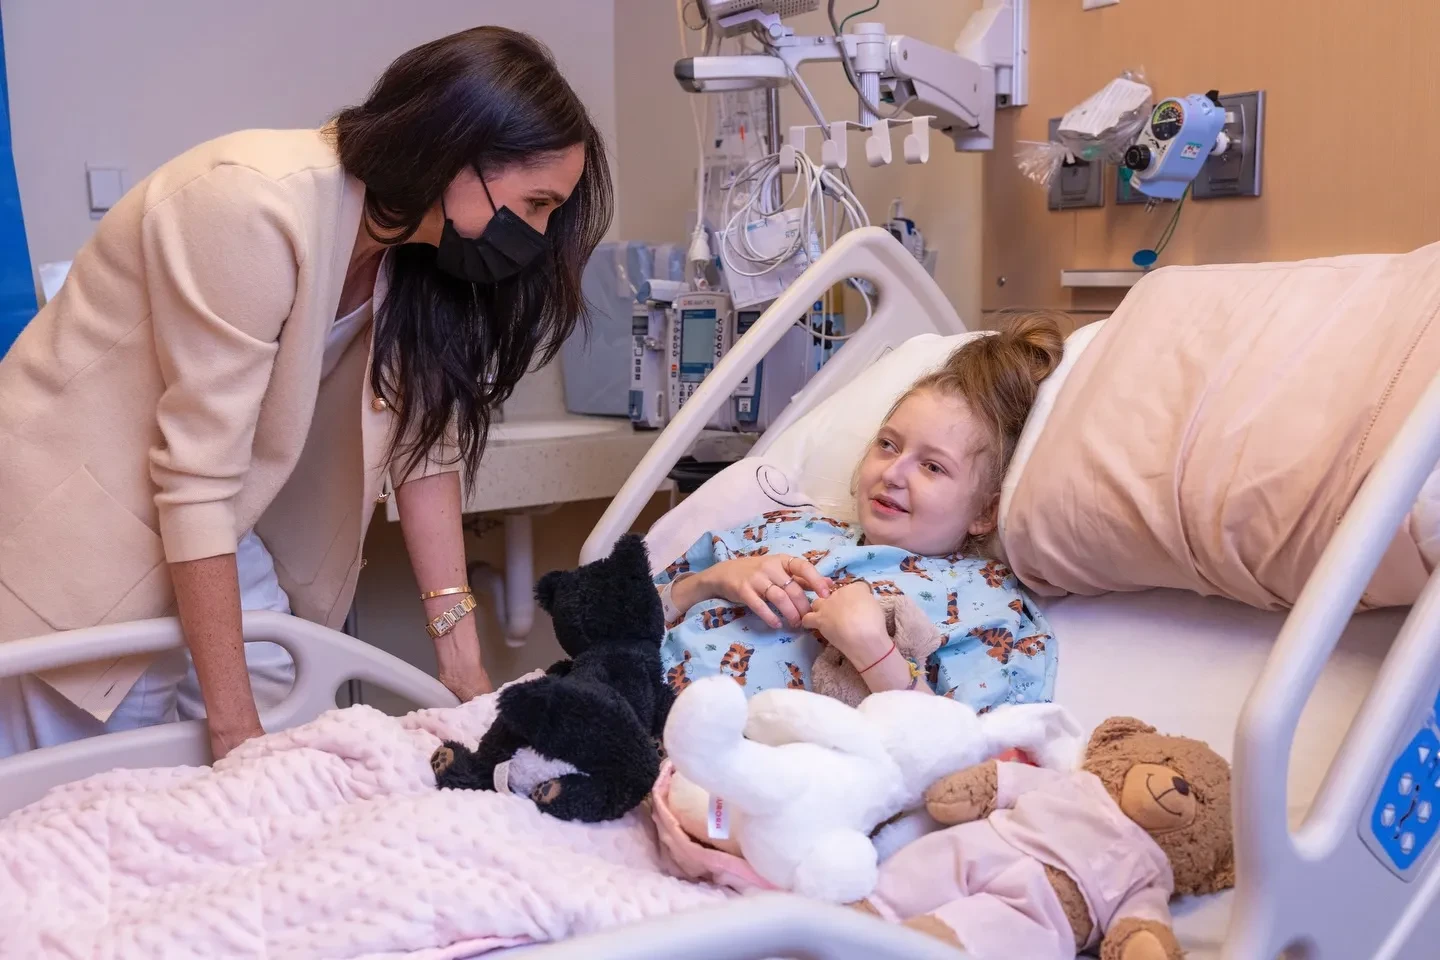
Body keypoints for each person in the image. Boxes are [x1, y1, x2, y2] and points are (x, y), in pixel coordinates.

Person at [0, 26, 613, 760]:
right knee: (116, 787)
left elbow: (426, 451)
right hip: (86, 532)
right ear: (455, 152)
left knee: (286, 727)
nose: (539, 234)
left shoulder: (411, 255)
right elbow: (196, 476)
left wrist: (464, 672)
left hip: (215, 527)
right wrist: (236, 736)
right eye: (537, 203)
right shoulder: (252, 205)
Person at [653, 312, 1066, 711]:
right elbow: (632, 611)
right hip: (632, 684)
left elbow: (974, 748)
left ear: (985, 512)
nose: (893, 473)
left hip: (717, 749)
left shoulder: (986, 602)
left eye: (932, 466)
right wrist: (708, 582)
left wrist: (874, 653)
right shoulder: (787, 527)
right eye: (888, 445)